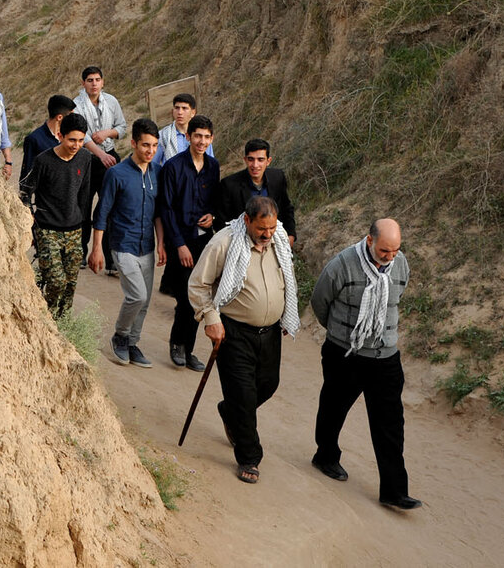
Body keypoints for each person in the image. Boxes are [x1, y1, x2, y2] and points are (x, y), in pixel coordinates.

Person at [310, 219, 420, 511]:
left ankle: (394, 491)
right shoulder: (342, 264)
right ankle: (326, 456)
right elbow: (320, 301)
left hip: (385, 357)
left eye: (395, 250)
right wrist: (341, 333)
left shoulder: (400, 264)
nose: (390, 257)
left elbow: (397, 296)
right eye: (384, 250)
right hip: (345, 354)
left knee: (391, 424)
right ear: (369, 240)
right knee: (333, 408)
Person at [189, 196, 299, 484]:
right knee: (244, 394)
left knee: (268, 385)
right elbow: (198, 284)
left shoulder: (277, 242)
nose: (267, 235)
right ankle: (249, 456)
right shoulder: (224, 242)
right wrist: (210, 319)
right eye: (262, 228)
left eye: (272, 228)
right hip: (234, 331)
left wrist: (286, 311)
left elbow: (285, 280)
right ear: (247, 220)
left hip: (270, 332)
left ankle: (230, 411)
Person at [89, 118, 165, 368]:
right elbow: (102, 213)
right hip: (122, 245)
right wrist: (96, 249)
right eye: (145, 145)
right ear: (133, 143)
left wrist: (161, 244)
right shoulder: (116, 173)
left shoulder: (157, 173)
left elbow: (158, 214)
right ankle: (120, 335)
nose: (150, 151)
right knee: (137, 296)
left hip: (147, 247)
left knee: (144, 302)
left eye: (154, 145)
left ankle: (133, 343)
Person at [157, 115, 220, 371]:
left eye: (206, 137)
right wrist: (179, 245)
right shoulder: (173, 167)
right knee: (185, 294)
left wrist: (213, 216)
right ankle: (176, 343)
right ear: (188, 138)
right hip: (180, 241)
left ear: (211, 139)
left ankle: (189, 349)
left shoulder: (213, 167)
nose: (202, 141)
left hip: (203, 240)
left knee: (199, 297)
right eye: (197, 136)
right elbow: (166, 208)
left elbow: (216, 199)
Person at [20, 113, 92, 318]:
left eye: (80, 140)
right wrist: (31, 220)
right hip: (47, 229)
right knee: (56, 282)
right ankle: (46, 316)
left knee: (70, 285)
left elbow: (84, 194)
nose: (76, 145)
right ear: (60, 135)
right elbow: (25, 191)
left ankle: (62, 324)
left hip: (74, 230)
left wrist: (82, 224)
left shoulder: (85, 158)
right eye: (72, 140)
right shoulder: (43, 161)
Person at [73, 66, 127, 266]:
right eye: (89, 80)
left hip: (109, 157)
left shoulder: (111, 101)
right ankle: (80, 253)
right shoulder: (76, 104)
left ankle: (110, 257)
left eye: (97, 80)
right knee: (83, 206)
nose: (94, 84)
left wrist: (107, 133)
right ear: (83, 83)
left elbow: (122, 126)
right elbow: (81, 134)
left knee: (109, 207)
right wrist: (100, 153)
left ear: (102, 82)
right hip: (86, 159)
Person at [214, 138, 297, 244]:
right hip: (242, 243)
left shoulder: (277, 178)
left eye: (260, 160)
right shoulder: (229, 185)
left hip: (274, 241)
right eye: (251, 159)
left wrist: (291, 235)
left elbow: (287, 208)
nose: (255, 165)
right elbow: (221, 222)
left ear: (268, 161)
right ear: (245, 159)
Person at [20, 95, 77, 204]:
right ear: (59, 117)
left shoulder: (70, 138)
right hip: (46, 204)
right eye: (70, 115)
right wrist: (27, 208)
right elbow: (26, 177)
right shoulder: (35, 140)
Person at [154, 93, 212, 164]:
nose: (180, 112)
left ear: (193, 112)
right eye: (177, 108)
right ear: (172, 111)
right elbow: (153, 165)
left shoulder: (202, 136)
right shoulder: (163, 136)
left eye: (184, 108)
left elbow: (210, 162)